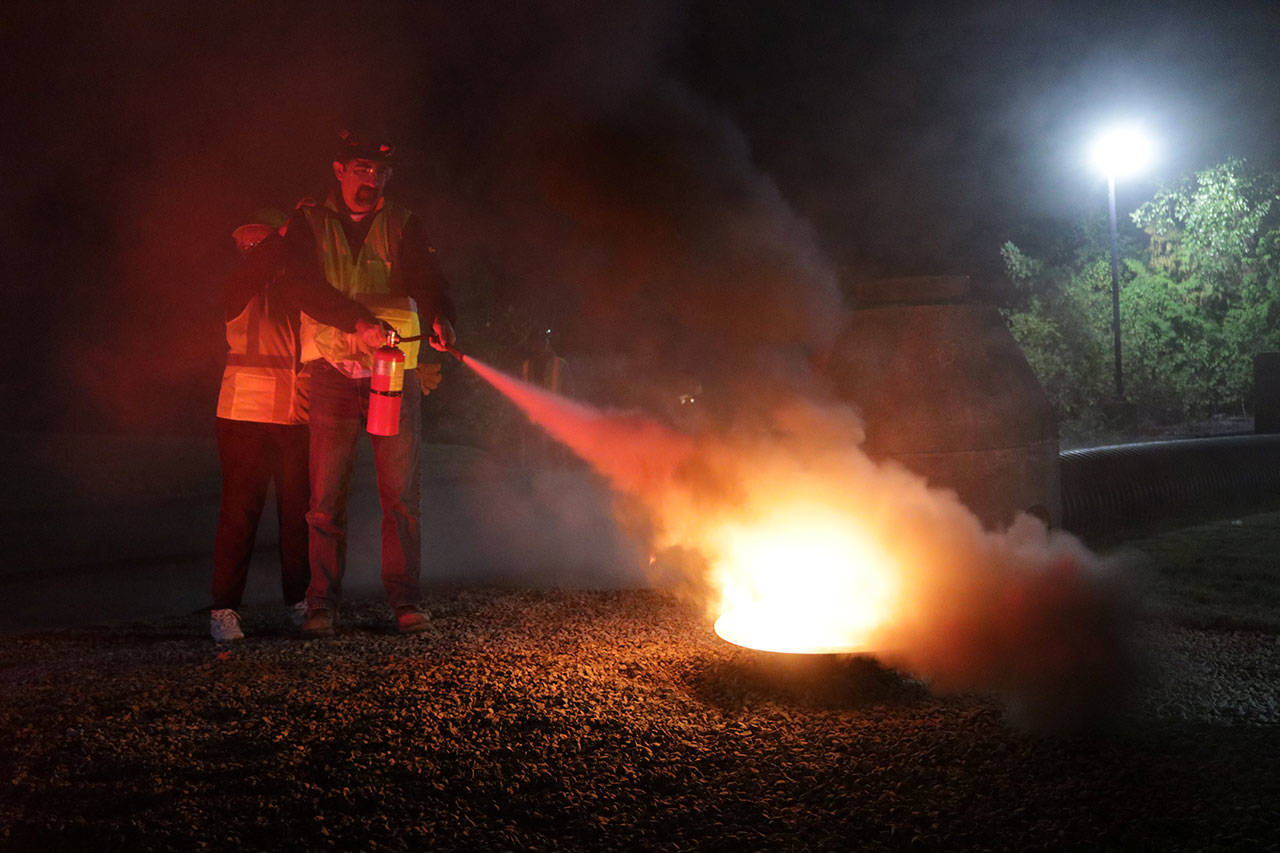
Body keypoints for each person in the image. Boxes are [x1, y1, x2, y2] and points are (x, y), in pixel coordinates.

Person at [284, 129, 456, 638]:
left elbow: (429, 279)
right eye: (361, 169)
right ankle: (321, 606)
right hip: (333, 372)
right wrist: (355, 320)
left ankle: (406, 602)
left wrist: (443, 317)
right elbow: (299, 285)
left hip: (393, 372)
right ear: (339, 169)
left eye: (380, 171)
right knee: (324, 499)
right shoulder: (308, 220)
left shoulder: (403, 222)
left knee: (400, 495)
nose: (371, 179)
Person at [211, 210, 389, 642]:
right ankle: (224, 609)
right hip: (245, 415)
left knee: (296, 517)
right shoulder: (237, 286)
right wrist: (289, 233)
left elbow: (326, 316)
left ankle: (297, 601)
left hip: (296, 416)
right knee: (240, 516)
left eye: (265, 244)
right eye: (255, 246)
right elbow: (259, 268)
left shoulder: (295, 288)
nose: (262, 252)